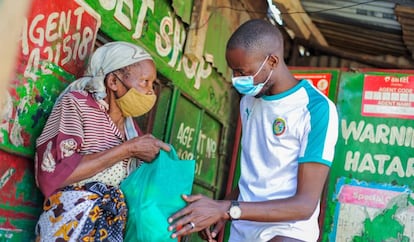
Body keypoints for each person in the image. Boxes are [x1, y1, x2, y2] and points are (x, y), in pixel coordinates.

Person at [168, 19, 338, 242]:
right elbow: (255, 174)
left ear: (273, 61)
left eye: (242, 72)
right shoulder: (248, 102)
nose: (237, 80)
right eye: (233, 72)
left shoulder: (315, 109)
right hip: (243, 230)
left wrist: (225, 209)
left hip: (287, 232)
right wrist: (220, 210)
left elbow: (304, 205)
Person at [34, 41, 170, 241]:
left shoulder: (132, 131)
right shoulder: (78, 104)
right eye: (144, 81)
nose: (150, 91)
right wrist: (127, 150)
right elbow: (53, 175)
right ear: (113, 81)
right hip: (67, 228)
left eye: (152, 84)